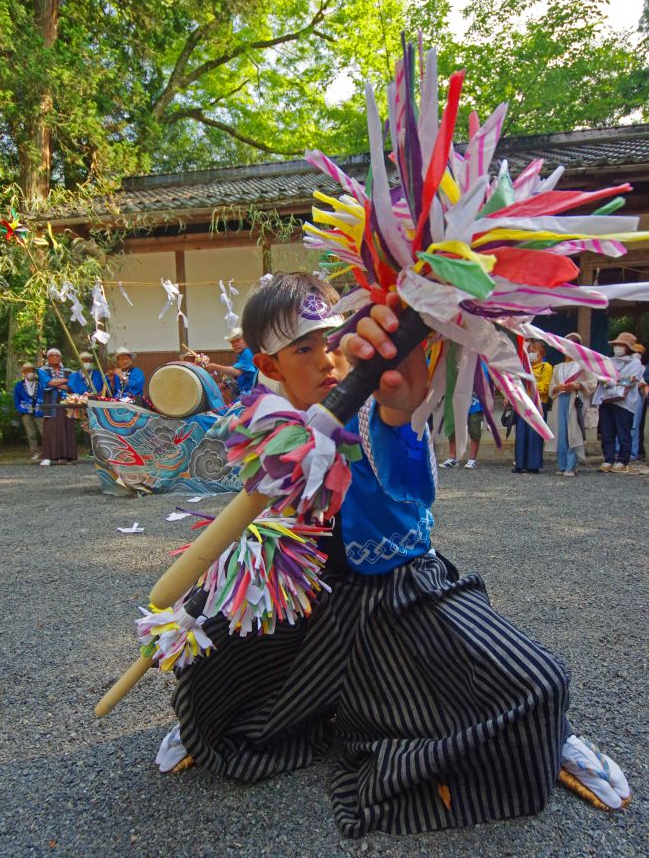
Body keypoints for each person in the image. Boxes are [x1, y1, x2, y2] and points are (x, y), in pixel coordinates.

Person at [160, 272, 629, 835]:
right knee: (207, 665)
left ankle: (554, 740)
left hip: (402, 592)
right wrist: (205, 595)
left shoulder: (369, 405)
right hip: (315, 597)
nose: (326, 359)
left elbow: (415, 488)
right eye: (303, 349)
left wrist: (398, 417)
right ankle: (208, 724)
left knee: (536, 680)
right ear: (270, 367)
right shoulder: (265, 421)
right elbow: (256, 527)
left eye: (331, 340)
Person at [592, 331, 644, 474]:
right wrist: (608, 380)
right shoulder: (609, 361)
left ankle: (623, 461)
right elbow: (601, 377)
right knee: (607, 432)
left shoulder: (635, 363)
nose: (618, 347)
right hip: (607, 400)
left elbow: (632, 381)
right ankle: (608, 459)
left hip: (625, 403)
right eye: (617, 345)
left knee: (623, 432)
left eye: (621, 345)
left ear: (628, 347)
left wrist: (613, 381)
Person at [546, 333, 597, 477]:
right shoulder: (557, 367)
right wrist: (558, 387)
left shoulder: (583, 366)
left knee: (573, 432)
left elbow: (593, 383)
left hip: (575, 401)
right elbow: (551, 387)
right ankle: (562, 465)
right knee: (560, 433)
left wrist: (577, 384)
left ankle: (571, 466)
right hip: (560, 400)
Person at [513, 340, 553, 473]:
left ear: (541, 352)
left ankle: (533, 464)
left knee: (535, 434)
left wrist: (531, 383)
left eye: (534, 350)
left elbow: (545, 387)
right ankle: (520, 463)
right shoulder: (524, 368)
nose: (530, 353)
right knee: (521, 433)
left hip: (539, 404)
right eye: (529, 350)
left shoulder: (546, 367)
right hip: (524, 403)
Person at [38, 348, 77, 466]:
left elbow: (73, 384)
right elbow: (48, 383)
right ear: (48, 358)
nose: (55, 357)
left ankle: (65, 457)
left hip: (66, 403)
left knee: (67, 429)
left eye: (57, 355)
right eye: (52, 355)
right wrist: (64, 381)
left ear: (60, 358)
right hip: (51, 403)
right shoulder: (43, 370)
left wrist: (57, 382)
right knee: (50, 430)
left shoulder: (69, 370)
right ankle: (48, 457)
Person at [206, 328, 257, 396]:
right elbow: (237, 376)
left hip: (250, 393)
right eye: (232, 342)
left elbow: (237, 372)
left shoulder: (247, 353)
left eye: (238, 340)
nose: (235, 344)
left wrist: (215, 366)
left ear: (246, 340)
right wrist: (225, 384)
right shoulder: (241, 355)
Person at [13, 361, 44, 461]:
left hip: (40, 411)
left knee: (44, 431)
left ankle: (47, 451)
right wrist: (21, 409)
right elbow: (16, 400)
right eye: (27, 371)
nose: (30, 372)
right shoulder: (19, 386)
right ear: (24, 372)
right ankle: (35, 452)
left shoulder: (40, 384)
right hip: (26, 411)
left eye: (31, 370)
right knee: (31, 433)